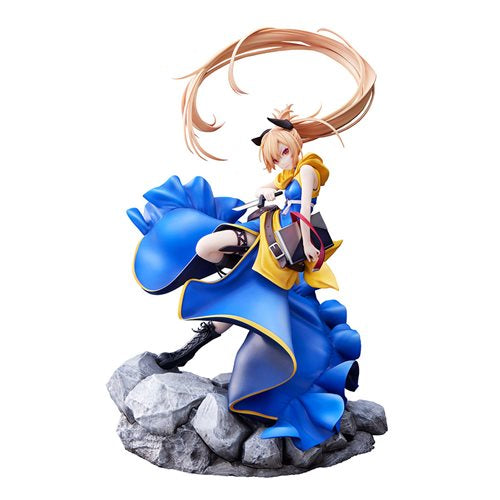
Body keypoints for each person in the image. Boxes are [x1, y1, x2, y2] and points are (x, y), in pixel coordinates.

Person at [127, 28, 375, 451]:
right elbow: (271, 195)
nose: (279, 158)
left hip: (281, 251)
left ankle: (192, 350)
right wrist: (263, 196)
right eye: (273, 155)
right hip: (264, 238)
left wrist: (300, 233)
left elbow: (305, 208)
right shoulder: (284, 176)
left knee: (232, 291)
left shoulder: (308, 169)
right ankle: (187, 349)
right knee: (220, 271)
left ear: (292, 142)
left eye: (281, 150)